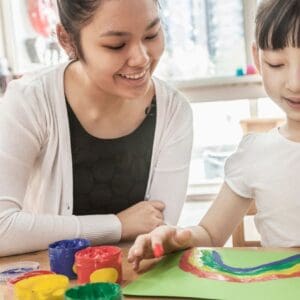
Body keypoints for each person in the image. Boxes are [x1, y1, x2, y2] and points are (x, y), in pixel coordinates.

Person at [0, 0, 193, 256]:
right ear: (67, 40)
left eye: (151, 34)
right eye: (116, 45)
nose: (141, 58)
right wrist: (117, 225)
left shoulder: (173, 111)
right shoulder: (30, 102)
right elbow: (3, 229)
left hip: (136, 282)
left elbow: (157, 231)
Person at [128, 0, 300, 270]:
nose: (295, 83)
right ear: (258, 59)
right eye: (277, 64)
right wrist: (177, 238)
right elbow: (210, 234)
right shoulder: (255, 153)